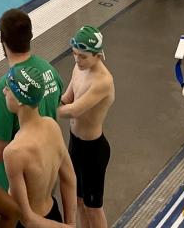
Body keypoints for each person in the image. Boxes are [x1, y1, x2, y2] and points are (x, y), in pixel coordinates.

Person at [0, 9, 63, 192]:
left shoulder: (5, 89)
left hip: (17, 189)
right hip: (47, 174)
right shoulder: (49, 70)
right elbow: (57, 106)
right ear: (30, 36)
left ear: (2, 41)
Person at [2, 65, 77, 227]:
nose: (4, 92)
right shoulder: (52, 126)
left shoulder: (14, 152)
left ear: (20, 99)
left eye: (7, 88)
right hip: (53, 215)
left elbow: (27, 218)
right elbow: (70, 178)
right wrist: (70, 224)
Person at [58, 26, 115, 228]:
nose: (77, 60)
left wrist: (43, 111)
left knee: (93, 207)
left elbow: (75, 110)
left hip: (93, 151)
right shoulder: (78, 69)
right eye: (74, 55)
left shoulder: (103, 81)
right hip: (75, 144)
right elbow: (67, 99)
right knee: (78, 201)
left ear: (98, 55)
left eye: (82, 56)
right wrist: (53, 103)